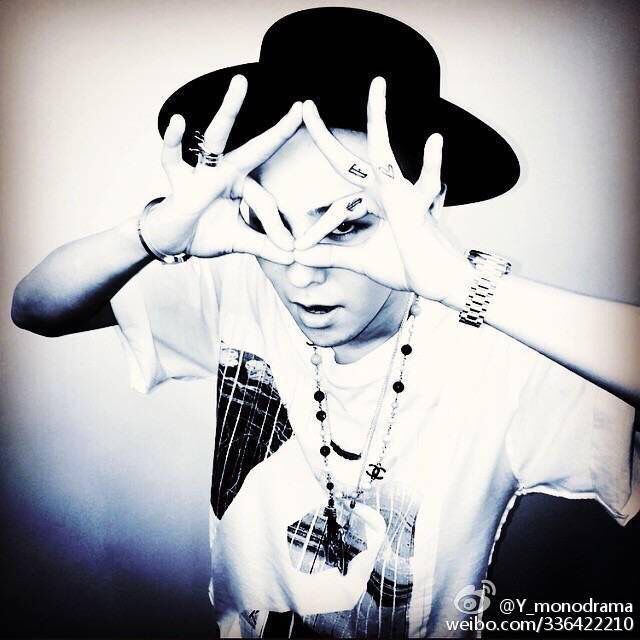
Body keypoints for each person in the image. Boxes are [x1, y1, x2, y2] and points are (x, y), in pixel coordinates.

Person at [11, 7, 639, 639]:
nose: (301, 274)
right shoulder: (238, 290)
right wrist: (149, 234)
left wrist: (459, 284)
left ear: (429, 205)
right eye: (270, 221)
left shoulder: (498, 354)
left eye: (346, 225)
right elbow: (35, 310)